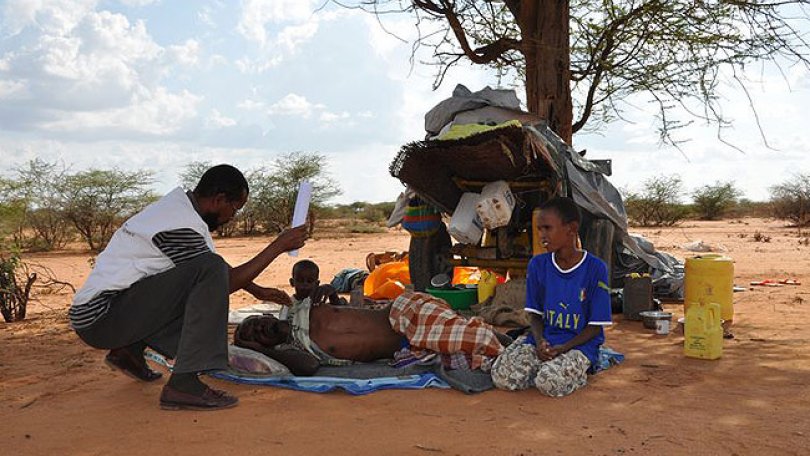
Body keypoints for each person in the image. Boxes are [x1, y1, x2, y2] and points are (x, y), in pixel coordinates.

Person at [69, 164, 307, 411]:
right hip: (100, 319)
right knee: (208, 272)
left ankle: (128, 352)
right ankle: (184, 384)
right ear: (219, 199)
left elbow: (210, 271)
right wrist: (278, 246)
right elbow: (218, 278)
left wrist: (256, 290)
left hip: (107, 312)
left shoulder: (179, 210)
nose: (232, 217)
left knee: (204, 272)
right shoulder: (179, 223)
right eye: (234, 209)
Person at [490, 196, 612, 397]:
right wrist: (539, 343)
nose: (541, 235)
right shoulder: (538, 265)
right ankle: (544, 367)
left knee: (549, 383)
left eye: (547, 228)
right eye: (539, 229)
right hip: (545, 342)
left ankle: (579, 369)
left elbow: (595, 326)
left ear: (571, 228)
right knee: (502, 377)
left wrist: (565, 348)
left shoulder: (595, 268)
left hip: (578, 344)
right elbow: (535, 315)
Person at [234, 288, 506, 373]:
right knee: (474, 345)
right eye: (255, 335)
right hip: (408, 343)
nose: (258, 328)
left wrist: (329, 291)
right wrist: (255, 350)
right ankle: (510, 343)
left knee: (478, 338)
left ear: (265, 314)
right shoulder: (296, 352)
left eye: (253, 322)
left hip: (405, 313)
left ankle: (508, 342)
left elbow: (311, 283)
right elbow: (308, 368)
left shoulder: (299, 306)